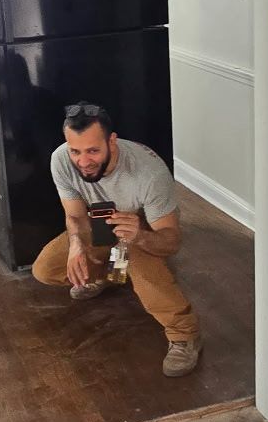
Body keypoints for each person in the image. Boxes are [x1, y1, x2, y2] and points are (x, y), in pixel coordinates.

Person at [32, 102, 203, 377]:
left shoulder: (150, 174)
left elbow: (171, 241)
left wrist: (140, 236)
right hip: (99, 219)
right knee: (46, 268)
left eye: (93, 151)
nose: (83, 161)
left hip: (141, 225)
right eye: (76, 151)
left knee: (142, 268)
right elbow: (75, 215)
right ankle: (112, 275)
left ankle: (185, 334)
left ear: (112, 141)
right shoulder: (61, 159)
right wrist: (76, 245)